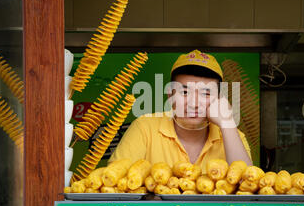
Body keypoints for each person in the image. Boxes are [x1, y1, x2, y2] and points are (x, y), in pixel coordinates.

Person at [108, 50, 253, 172]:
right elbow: (113, 179)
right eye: (184, 92)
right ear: (170, 96)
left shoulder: (232, 135)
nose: (194, 104)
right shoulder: (145, 127)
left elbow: (247, 184)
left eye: (206, 93)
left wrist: (227, 123)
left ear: (219, 100)